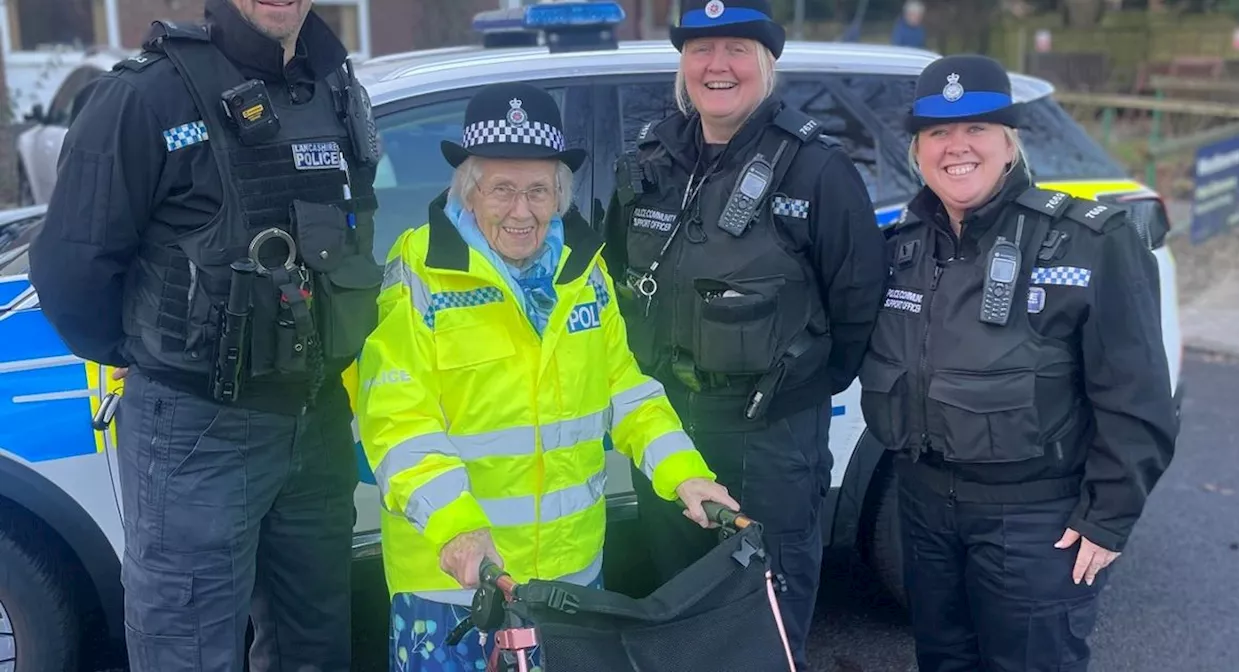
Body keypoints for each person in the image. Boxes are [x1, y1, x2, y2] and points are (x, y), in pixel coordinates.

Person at [27, 0, 383, 669]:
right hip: (197, 431)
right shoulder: (145, 98)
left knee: (319, 647)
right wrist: (158, 358)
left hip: (316, 419)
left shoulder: (334, 87)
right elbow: (71, 272)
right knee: (188, 653)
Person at [356, 81, 739, 672]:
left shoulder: (582, 272)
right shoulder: (421, 274)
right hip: (458, 586)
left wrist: (687, 476)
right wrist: (457, 528)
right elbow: (397, 420)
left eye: (539, 191)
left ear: (560, 195)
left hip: (570, 576)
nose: (521, 211)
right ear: (469, 191)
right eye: (503, 189)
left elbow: (628, 392)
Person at [858, 54, 1179, 672]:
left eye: (977, 128)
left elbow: (1137, 397)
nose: (957, 147)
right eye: (938, 134)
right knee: (943, 660)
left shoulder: (1091, 242)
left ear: (1010, 143)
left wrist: (1108, 518)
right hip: (923, 509)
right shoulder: (900, 249)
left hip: (1036, 520)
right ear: (918, 151)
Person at [601, 1, 889, 668]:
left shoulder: (817, 172)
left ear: (766, 63)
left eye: (736, 49)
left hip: (771, 437)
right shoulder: (652, 159)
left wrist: (792, 393)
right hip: (668, 428)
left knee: (768, 610)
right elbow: (616, 277)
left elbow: (857, 310)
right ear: (683, 65)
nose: (716, 65)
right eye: (701, 50)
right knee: (682, 604)